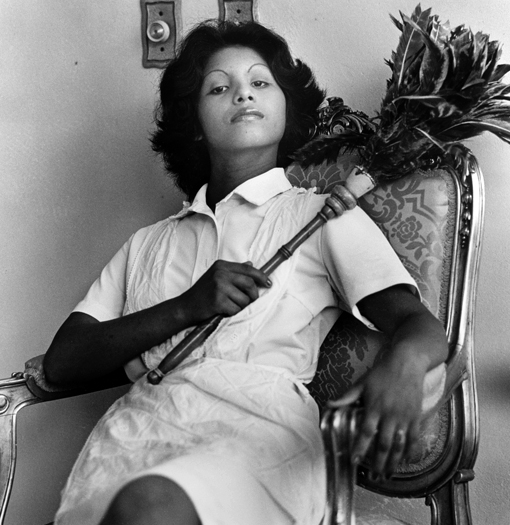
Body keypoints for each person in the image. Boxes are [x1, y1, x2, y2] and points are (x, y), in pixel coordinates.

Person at [43, 19, 449, 525]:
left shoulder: (321, 216)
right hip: (135, 436)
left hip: (259, 439)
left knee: (149, 505)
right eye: (219, 88)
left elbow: (418, 325)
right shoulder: (148, 243)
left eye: (260, 82)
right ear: (194, 121)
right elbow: (63, 362)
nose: (243, 94)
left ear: (286, 109)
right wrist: (187, 307)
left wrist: (404, 366)